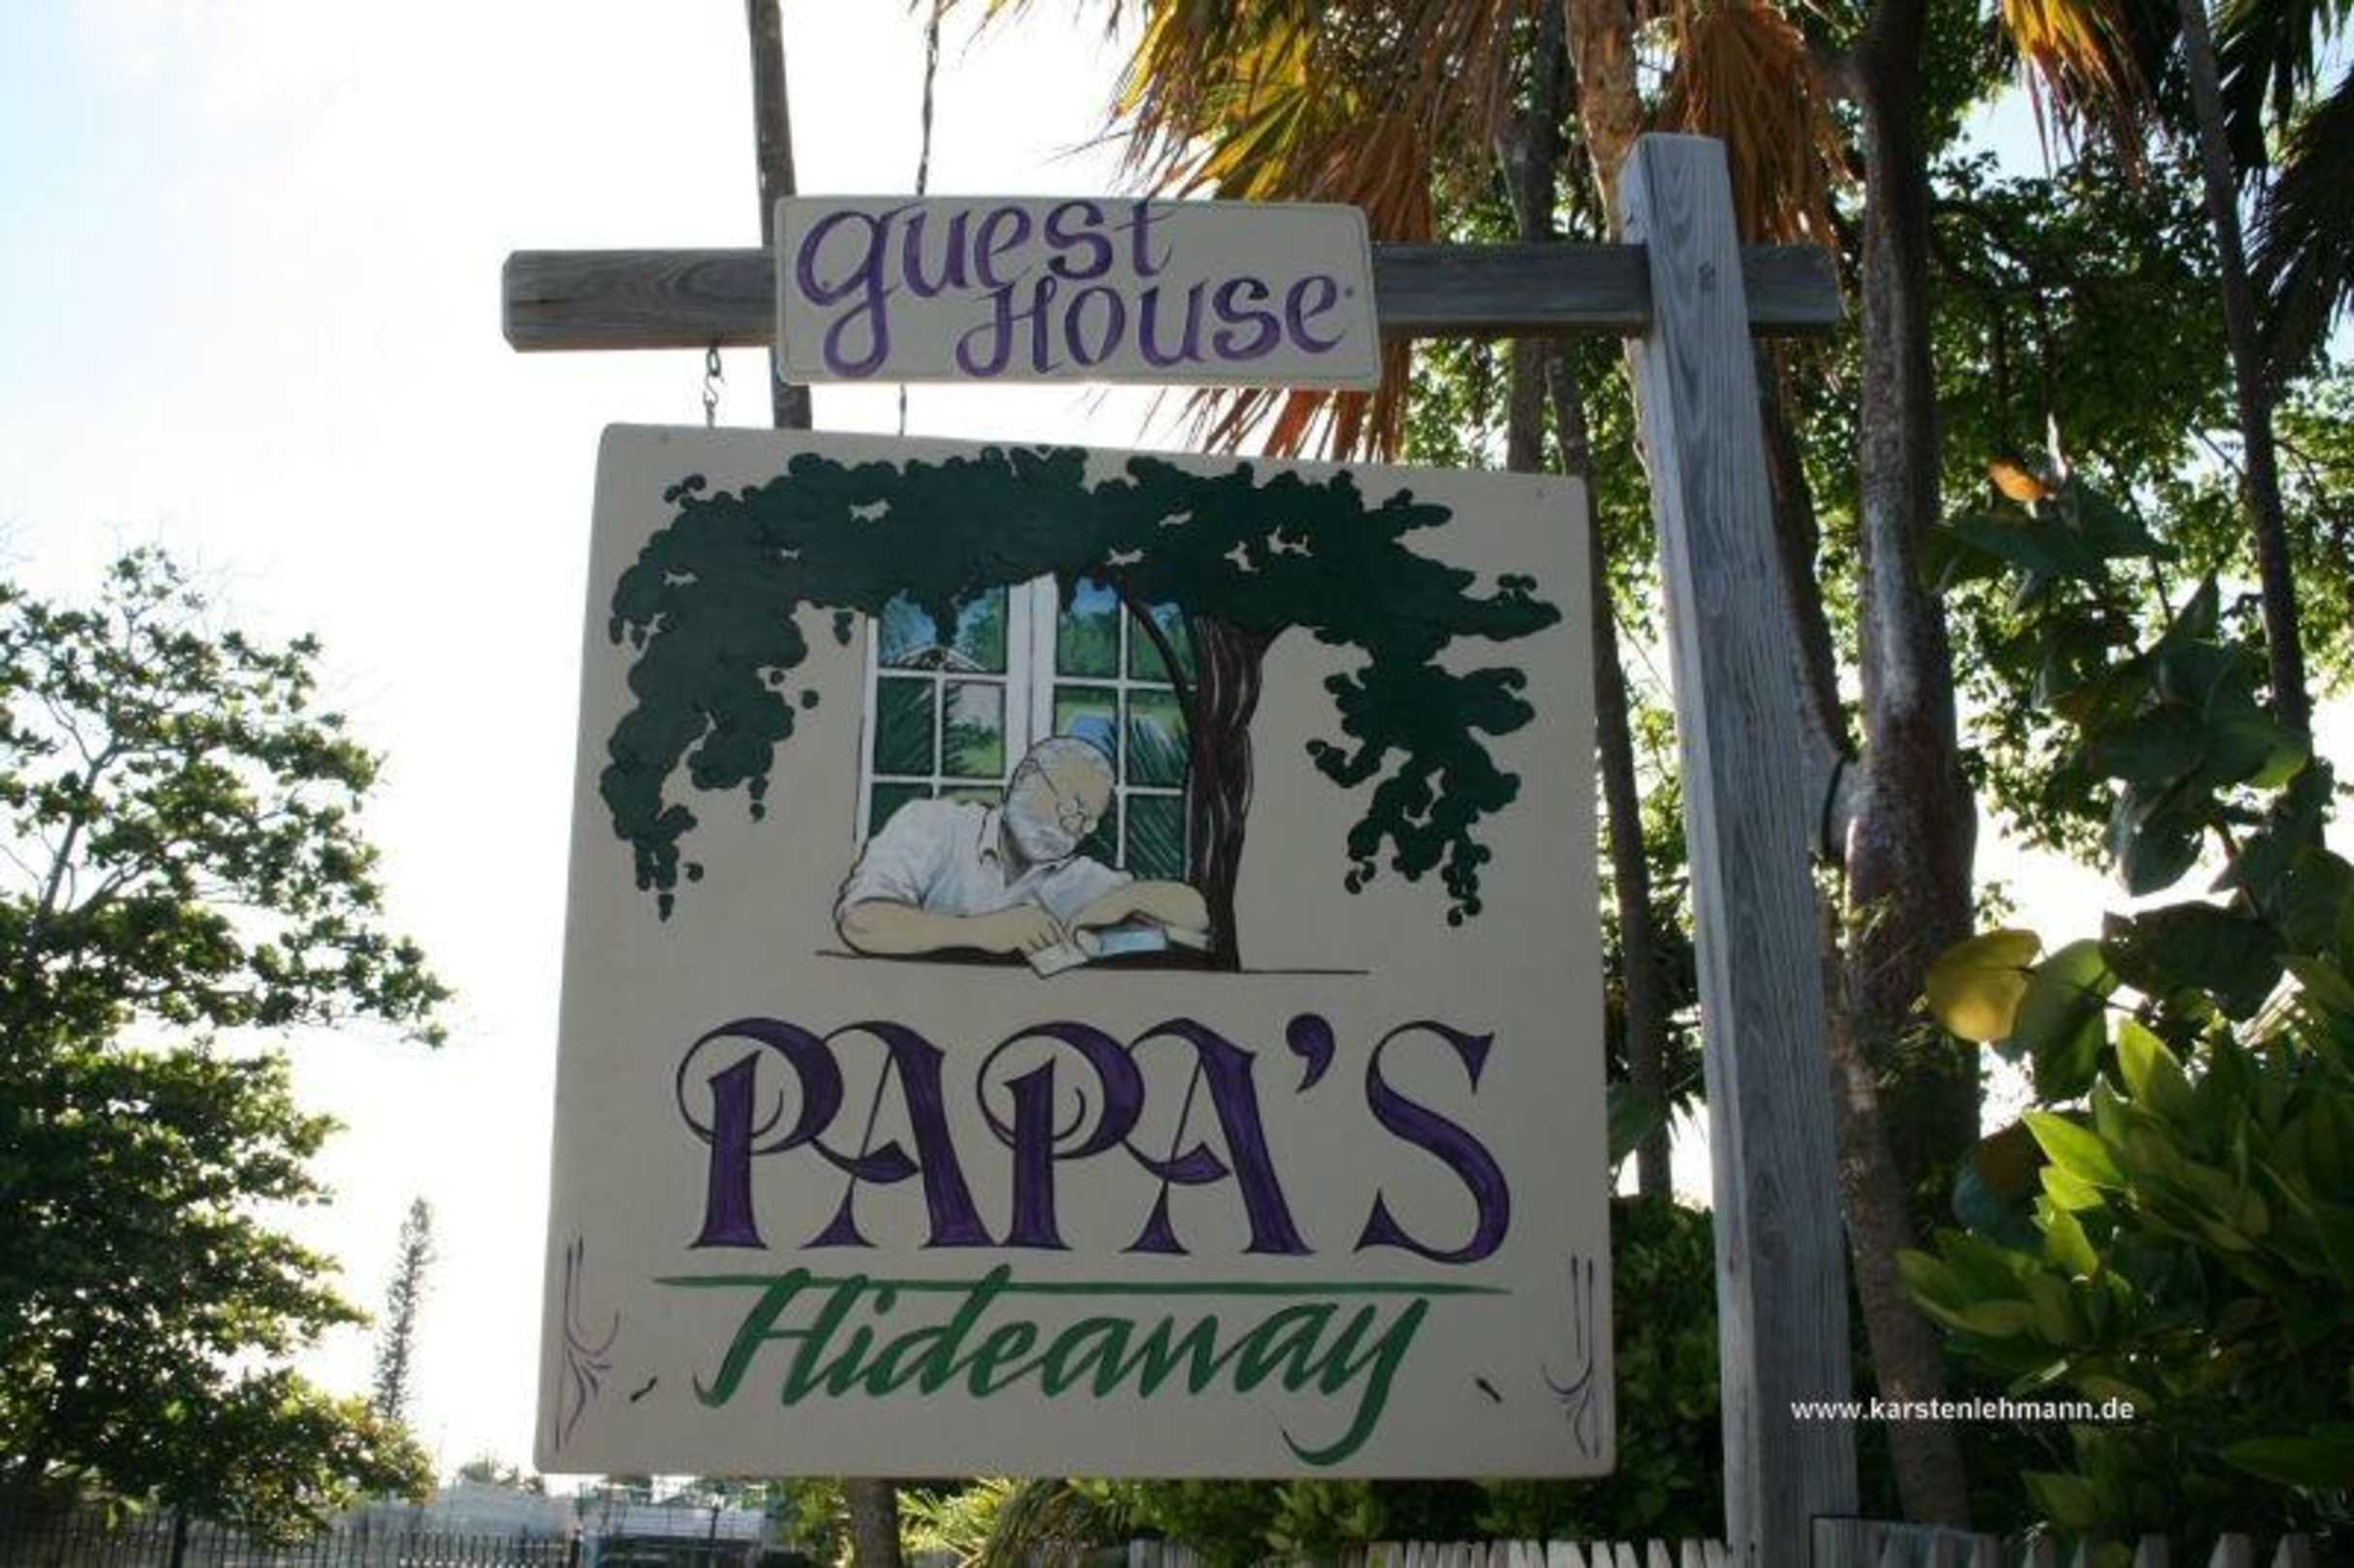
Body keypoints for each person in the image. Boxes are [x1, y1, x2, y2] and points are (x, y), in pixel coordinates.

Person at [834, 736, 1211, 959]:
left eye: (1087, 821)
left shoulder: (1077, 876)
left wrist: (1126, 899)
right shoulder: (933, 826)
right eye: (1070, 807)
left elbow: (1197, 913)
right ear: (1025, 777)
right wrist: (983, 932)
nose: (1073, 828)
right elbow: (861, 922)